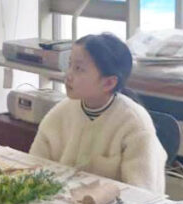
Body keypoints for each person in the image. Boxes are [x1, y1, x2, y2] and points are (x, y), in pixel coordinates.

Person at [29, 33, 165, 193]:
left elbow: (143, 194)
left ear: (108, 82)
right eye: (70, 64)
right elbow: (34, 167)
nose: (68, 75)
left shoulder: (135, 123)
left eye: (79, 69)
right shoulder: (61, 112)